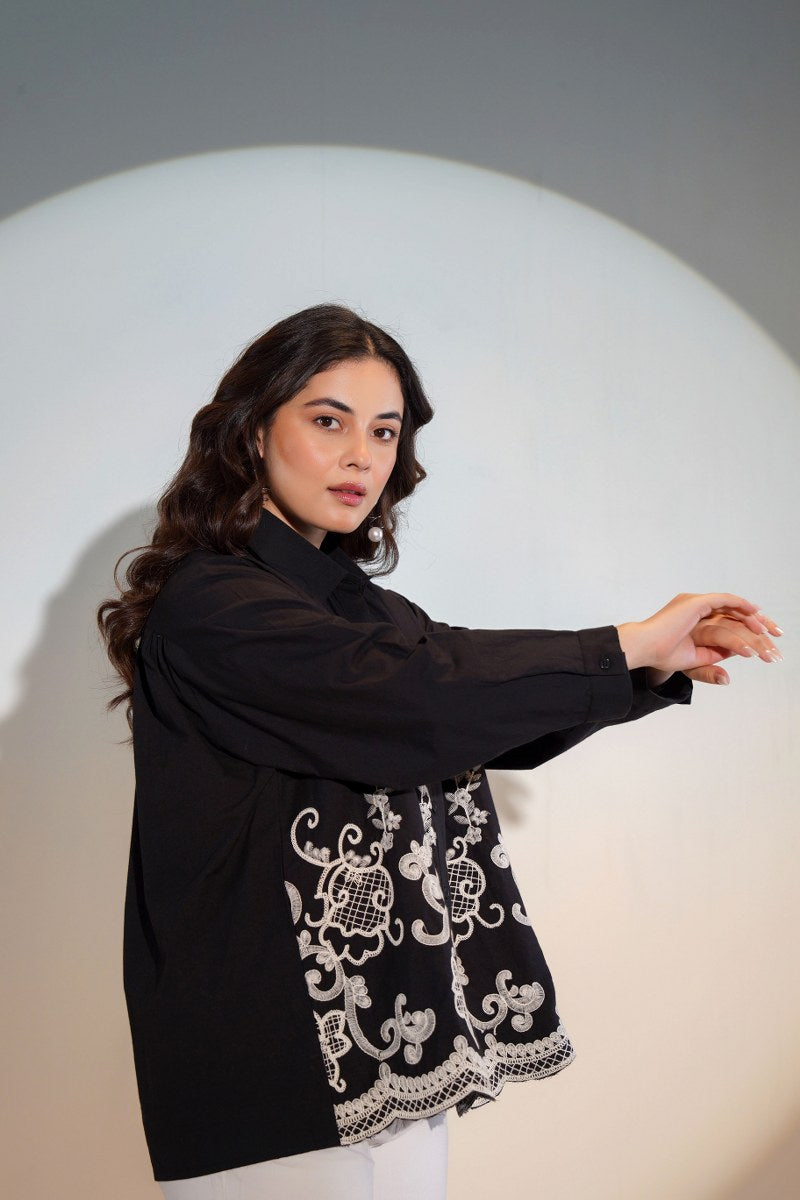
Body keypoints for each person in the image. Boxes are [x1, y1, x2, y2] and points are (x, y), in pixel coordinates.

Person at [97, 303, 782, 1200]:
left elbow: (462, 716)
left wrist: (647, 666)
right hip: (274, 1064)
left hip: (390, 1049)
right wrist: (620, 646)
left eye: (384, 432)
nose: (361, 456)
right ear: (253, 431)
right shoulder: (215, 603)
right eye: (329, 421)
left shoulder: (358, 607)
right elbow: (417, 695)